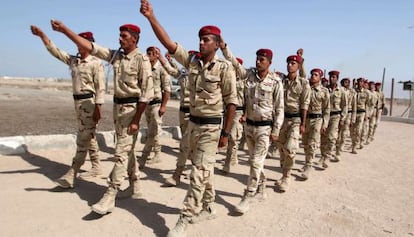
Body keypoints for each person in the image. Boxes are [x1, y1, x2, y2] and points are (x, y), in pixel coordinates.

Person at [140, 1, 237, 236]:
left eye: (206, 40)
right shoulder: (191, 62)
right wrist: (151, 17)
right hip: (192, 124)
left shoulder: (225, 69)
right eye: (200, 39)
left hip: (211, 128)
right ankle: (209, 205)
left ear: (216, 43)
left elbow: (231, 102)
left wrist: (225, 133)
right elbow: (168, 43)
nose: (201, 42)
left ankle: (185, 217)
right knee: (203, 169)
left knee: (198, 173)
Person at [50, 20, 154, 214]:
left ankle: (111, 194)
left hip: (132, 111)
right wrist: (64, 30)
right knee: (127, 150)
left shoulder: (142, 59)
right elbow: (90, 46)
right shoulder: (116, 56)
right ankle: (135, 186)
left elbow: (146, 95)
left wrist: (136, 120)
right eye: (120, 35)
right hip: (118, 110)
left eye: (124, 36)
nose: (120, 39)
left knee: (121, 153)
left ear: (135, 38)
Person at [30, 25, 105, 188]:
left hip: (89, 103)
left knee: (83, 137)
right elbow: (56, 51)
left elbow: (100, 87)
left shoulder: (95, 63)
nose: (78, 45)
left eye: (81, 42)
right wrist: (42, 36)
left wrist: (98, 107)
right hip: (78, 103)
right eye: (77, 43)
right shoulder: (74, 61)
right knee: (89, 135)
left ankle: (72, 173)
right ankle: (97, 166)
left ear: (89, 43)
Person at [220, 44, 284, 213]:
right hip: (249, 128)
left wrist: (276, 130)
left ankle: (248, 195)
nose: (258, 61)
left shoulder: (276, 81)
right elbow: (234, 63)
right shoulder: (248, 75)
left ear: (269, 62)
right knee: (255, 162)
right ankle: (262, 187)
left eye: (262, 59)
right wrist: (224, 48)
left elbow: (279, 108)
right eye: (257, 58)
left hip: (264, 128)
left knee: (256, 162)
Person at [276, 54, 310, 192]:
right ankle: (284, 169)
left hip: (295, 120)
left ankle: (286, 176)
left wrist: (302, 123)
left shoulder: (303, 83)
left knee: (290, 148)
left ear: (298, 66)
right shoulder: (281, 81)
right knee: (281, 148)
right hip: (281, 119)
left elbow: (305, 104)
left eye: (293, 63)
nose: (290, 65)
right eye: (288, 63)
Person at [160, 51, 192, 187]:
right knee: (185, 141)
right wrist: (163, 59)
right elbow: (172, 70)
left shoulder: (201, 76)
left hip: (194, 113)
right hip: (183, 111)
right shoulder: (184, 75)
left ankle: (179, 172)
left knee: (186, 142)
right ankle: (185, 168)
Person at [137, 46, 171, 168]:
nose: (149, 55)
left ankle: (145, 156)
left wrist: (164, 106)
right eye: (148, 53)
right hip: (147, 104)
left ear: (157, 55)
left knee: (153, 131)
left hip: (157, 104)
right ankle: (157, 153)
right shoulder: (145, 69)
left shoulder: (162, 70)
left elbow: (167, 89)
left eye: (152, 53)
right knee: (152, 130)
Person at [301, 68, 330, 178]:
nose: (313, 76)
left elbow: (327, 109)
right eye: (312, 74)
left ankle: (309, 166)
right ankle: (306, 162)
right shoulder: (306, 88)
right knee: (305, 143)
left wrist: (325, 124)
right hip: (306, 119)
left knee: (312, 143)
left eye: (316, 75)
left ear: (320, 77)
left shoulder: (324, 91)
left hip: (317, 119)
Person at [222, 56, 246, 174]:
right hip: (226, 111)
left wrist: (246, 114)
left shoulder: (244, 82)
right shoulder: (227, 79)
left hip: (238, 111)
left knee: (233, 136)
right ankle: (232, 154)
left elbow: (248, 99)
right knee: (225, 133)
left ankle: (228, 161)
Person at [319, 70, 347, 166]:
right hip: (324, 116)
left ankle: (327, 156)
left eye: (334, 77)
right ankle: (323, 155)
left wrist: (343, 118)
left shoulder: (341, 91)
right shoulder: (324, 89)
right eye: (331, 77)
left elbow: (344, 105)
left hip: (335, 116)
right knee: (323, 138)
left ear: (337, 78)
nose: (332, 79)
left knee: (332, 137)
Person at [350, 78, 370, 154]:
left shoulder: (366, 93)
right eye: (359, 81)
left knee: (358, 130)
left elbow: (367, 104)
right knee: (352, 131)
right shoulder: (353, 91)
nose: (360, 83)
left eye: (362, 82)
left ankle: (354, 146)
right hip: (353, 112)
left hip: (362, 113)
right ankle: (353, 142)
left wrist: (366, 115)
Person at [337, 78, 355, 153]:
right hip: (339, 113)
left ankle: (341, 147)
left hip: (348, 114)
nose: (346, 83)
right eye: (345, 82)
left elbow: (354, 106)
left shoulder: (352, 92)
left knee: (345, 132)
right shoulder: (339, 90)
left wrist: (353, 119)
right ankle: (336, 146)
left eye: (348, 82)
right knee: (337, 132)